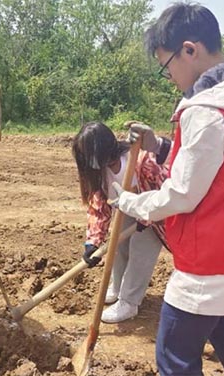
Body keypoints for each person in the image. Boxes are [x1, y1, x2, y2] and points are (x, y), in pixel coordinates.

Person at [109, 3, 224, 375]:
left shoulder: (206, 111)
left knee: (174, 356)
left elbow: (182, 193)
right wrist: (161, 144)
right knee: (222, 325)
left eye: (167, 67)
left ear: (189, 49)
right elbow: (220, 165)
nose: (170, 77)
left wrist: (131, 202)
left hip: (207, 259)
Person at [71, 121, 170, 323]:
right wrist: (93, 243)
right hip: (127, 210)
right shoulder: (100, 173)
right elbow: (98, 207)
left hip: (156, 215)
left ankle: (129, 301)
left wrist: (147, 216)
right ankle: (117, 287)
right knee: (119, 246)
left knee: (140, 251)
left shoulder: (140, 160)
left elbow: (166, 189)